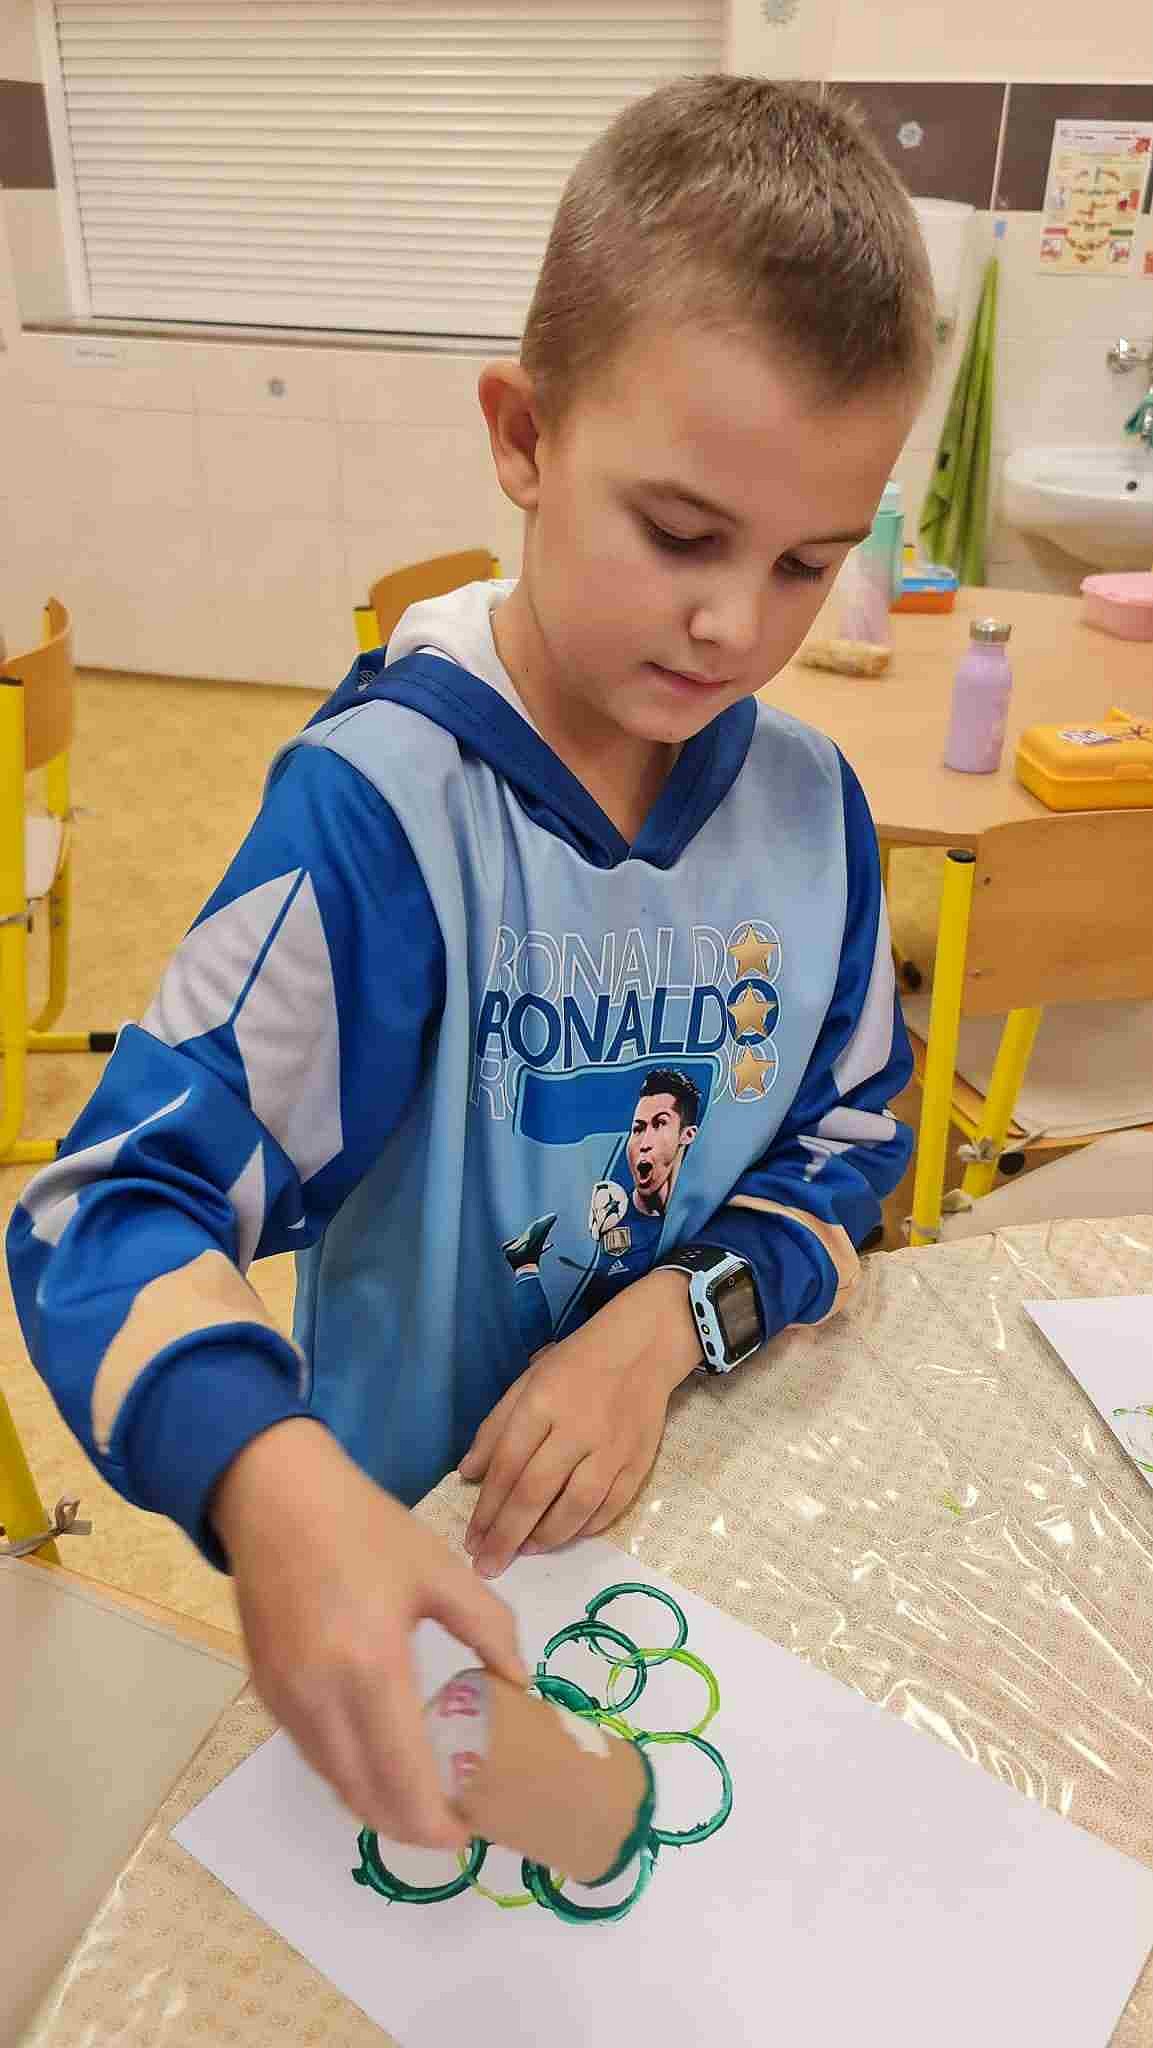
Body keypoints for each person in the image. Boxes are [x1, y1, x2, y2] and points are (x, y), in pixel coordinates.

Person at [7, 77, 933, 1856]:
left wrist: (668, 1325)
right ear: (522, 435)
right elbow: (102, 1210)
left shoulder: (812, 812)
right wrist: (270, 1487)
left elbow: (851, 1146)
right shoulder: (383, 814)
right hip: (435, 1563)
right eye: (680, 534)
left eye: (807, 564)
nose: (733, 624)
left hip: (707, 1515)